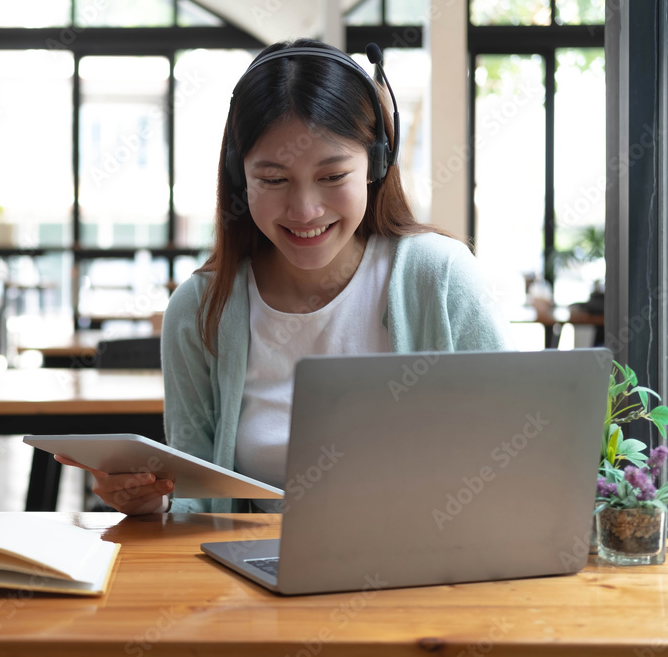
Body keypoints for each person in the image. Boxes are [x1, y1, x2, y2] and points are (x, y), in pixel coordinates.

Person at [56, 38, 512, 515]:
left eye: (333, 177)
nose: (304, 210)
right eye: (273, 180)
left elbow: (518, 453)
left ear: (377, 164)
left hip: (425, 574)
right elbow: (194, 501)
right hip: (251, 576)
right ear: (239, 176)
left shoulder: (438, 277)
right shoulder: (199, 310)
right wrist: (153, 503)